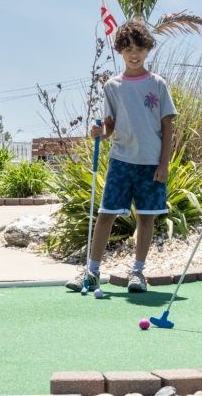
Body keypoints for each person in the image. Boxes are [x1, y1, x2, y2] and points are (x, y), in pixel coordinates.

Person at [69, 19, 176, 294]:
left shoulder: (158, 84)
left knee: (146, 217)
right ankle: (92, 271)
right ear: (120, 50)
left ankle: (137, 272)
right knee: (106, 214)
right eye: (128, 48)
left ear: (147, 49)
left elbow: (167, 126)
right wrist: (100, 132)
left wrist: (164, 163)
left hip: (151, 162)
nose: (134, 54)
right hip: (121, 160)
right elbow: (109, 124)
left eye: (139, 48)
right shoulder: (112, 86)